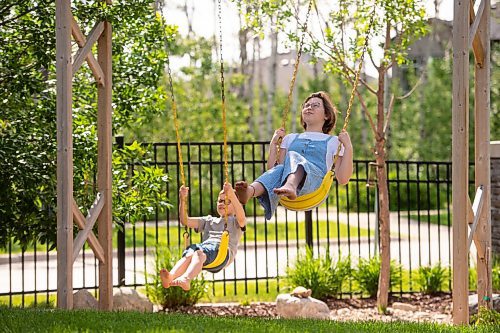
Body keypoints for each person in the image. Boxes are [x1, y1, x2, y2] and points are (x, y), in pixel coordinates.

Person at [235, 91, 353, 220]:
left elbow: (343, 179)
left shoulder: (334, 141)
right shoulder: (290, 138)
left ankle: (291, 185)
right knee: (282, 167)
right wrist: (273, 144)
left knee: (293, 156)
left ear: (326, 115)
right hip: (285, 185)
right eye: (307, 105)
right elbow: (274, 171)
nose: (309, 107)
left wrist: (348, 148)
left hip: (314, 184)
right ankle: (249, 192)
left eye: (315, 105)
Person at [160, 182, 246, 291]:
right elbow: (185, 221)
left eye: (227, 201)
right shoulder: (208, 220)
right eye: (220, 200)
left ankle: (186, 279)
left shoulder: (236, 222)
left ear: (235, 204)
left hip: (222, 253)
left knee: (198, 253)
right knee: (191, 252)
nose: (222, 203)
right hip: (205, 251)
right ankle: (171, 277)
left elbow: (242, 219)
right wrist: (182, 199)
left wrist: (232, 195)